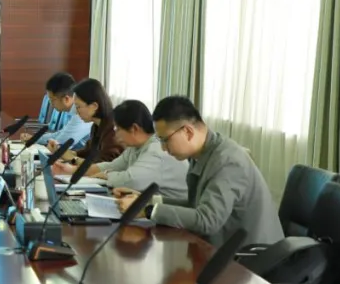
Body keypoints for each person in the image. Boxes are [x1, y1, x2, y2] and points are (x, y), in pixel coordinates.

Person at [115, 96, 284, 247]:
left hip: (250, 259)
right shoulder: (203, 153)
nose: (163, 148)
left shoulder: (228, 161)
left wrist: (148, 210)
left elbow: (207, 219)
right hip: (222, 247)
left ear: (187, 132)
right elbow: (195, 204)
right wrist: (145, 200)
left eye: (165, 140)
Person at [84, 100, 188, 202]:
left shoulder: (157, 149)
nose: (115, 135)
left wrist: (107, 175)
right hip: (152, 205)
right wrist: (81, 171)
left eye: (118, 129)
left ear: (134, 128)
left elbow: (132, 181)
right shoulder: (134, 147)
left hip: (171, 210)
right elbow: (113, 166)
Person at [49, 78, 123, 164]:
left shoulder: (114, 129)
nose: (76, 112)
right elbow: (87, 152)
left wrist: (73, 158)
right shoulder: (96, 126)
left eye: (78, 107)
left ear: (94, 106)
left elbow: (102, 165)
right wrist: (62, 152)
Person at [20, 72, 91, 149]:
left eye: (52, 100)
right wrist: (34, 138)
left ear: (66, 99)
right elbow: (60, 134)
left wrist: (35, 140)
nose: (50, 104)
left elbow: (59, 142)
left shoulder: (80, 116)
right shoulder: (73, 112)